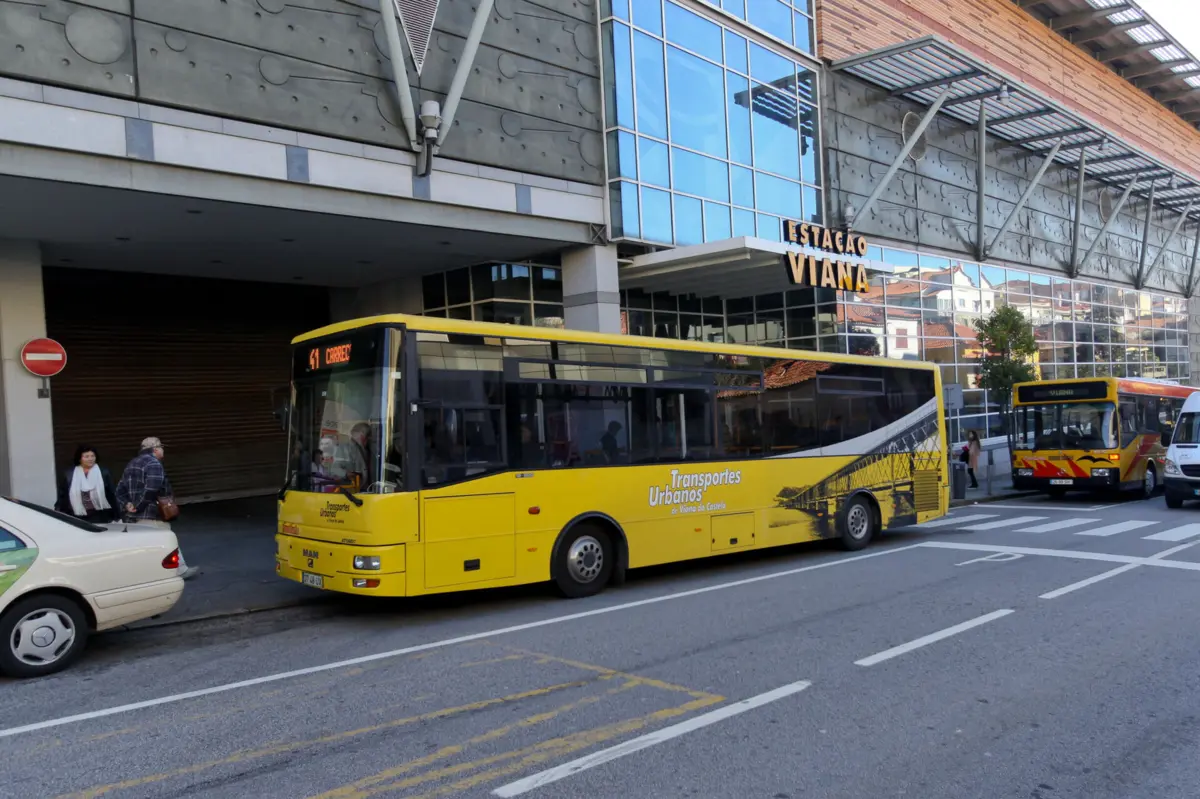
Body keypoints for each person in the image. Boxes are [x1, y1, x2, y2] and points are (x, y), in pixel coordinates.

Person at [116, 437, 198, 580]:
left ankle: (147, 574)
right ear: (155, 449)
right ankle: (180, 570)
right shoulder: (154, 463)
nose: (162, 450)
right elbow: (152, 488)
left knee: (143, 546)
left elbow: (119, 491)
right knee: (167, 542)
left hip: (134, 516)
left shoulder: (131, 464)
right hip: (152, 513)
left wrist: (127, 505)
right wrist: (139, 506)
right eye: (161, 447)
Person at [55, 445, 120, 523]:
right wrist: (58, 512)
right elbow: (62, 496)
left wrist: (117, 515)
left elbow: (111, 494)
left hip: (99, 515)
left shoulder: (103, 473)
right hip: (75, 515)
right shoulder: (70, 474)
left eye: (93, 456)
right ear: (79, 458)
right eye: (86, 456)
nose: (90, 459)